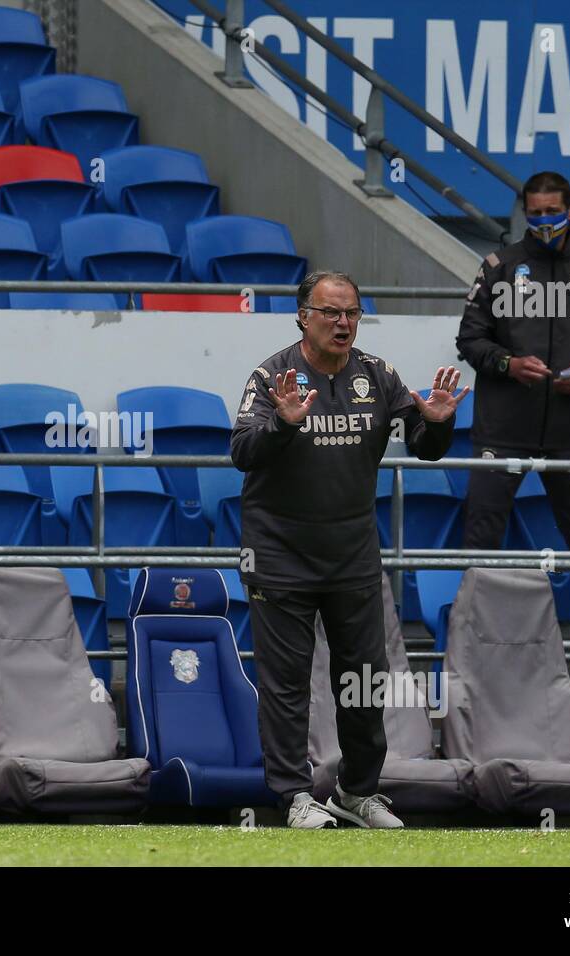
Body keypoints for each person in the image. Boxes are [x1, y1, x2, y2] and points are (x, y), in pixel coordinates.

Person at [232, 270, 468, 830]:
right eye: (331, 313)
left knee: (363, 680)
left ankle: (356, 792)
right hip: (280, 554)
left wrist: (439, 423)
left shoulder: (378, 375)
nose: (343, 323)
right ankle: (292, 795)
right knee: (287, 686)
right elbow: (242, 451)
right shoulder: (272, 375)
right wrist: (283, 426)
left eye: (352, 313)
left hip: (353, 556)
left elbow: (425, 446)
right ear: (303, 316)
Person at [455, 170, 570, 650]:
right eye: (536, 212)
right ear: (525, 212)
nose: (545, 220)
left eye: (554, 211)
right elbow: (469, 338)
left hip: (569, 431)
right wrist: (508, 363)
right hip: (501, 430)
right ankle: (471, 646)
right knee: (481, 540)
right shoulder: (498, 266)